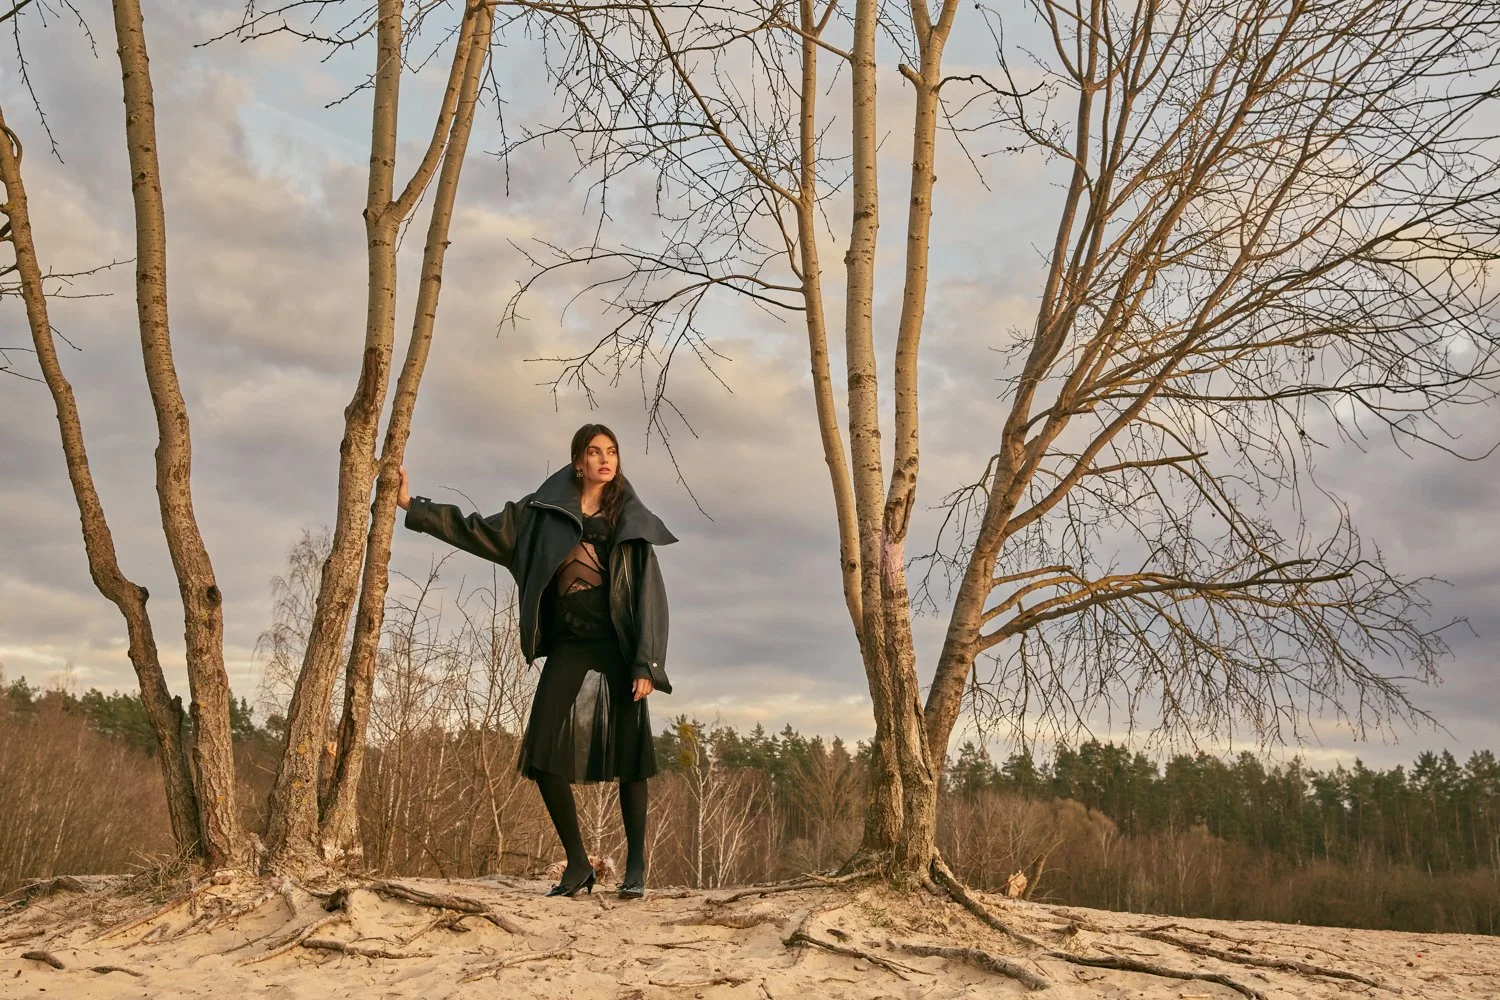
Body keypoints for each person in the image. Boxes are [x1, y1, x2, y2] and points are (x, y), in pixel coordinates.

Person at [397, 423, 675, 900]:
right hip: (569, 642)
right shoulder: (541, 513)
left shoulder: (630, 519)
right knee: (542, 751)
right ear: (578, 461)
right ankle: (578, 865)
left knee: (632, 757)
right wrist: (413, 506)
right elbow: (477, 531)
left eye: (612, 451)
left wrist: (646, 663)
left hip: (618, 644)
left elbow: (649, 595)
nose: (605, 459)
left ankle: (635, 868)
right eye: (595, 452)